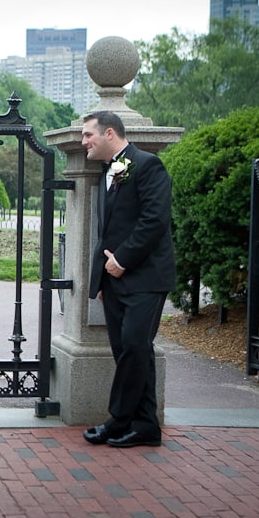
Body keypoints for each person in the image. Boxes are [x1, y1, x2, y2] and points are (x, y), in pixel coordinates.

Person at [80, 111, 175, 449]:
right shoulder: (110, 171)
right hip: (115, 282)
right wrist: (103, 282)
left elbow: (154, 220)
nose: (83, 142)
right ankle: (147, 426)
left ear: (109, 133)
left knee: (134, 346)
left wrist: (122, 261)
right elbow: (107, 231)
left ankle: (118, 420)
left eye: (88, 135)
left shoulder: (148, 165)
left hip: (146, 277)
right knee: (131, 352)